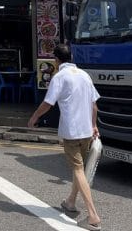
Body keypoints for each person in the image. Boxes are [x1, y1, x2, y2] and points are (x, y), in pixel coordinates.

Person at [28, 44, 101, 231]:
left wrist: (35, 117)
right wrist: (94, 125)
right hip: (86, 130)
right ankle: (70, 202)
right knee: (80, 169)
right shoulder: (84, 75)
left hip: (71, 131)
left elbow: (48, 103)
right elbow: (94, 105)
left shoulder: (59, 77)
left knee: (77, 170)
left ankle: (92, 215)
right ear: (72, 56)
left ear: (56, 59)